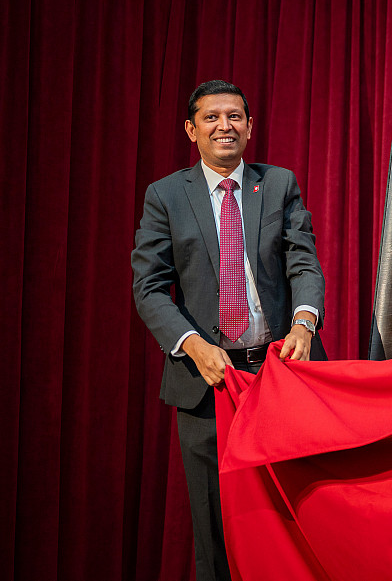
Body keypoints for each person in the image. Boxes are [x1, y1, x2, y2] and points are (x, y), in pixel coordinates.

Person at [131, 80, 326, 581]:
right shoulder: (167, 196)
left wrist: (304, 322)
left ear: (250, 126)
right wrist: (193, 346)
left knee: (294, 513)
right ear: (191, 129)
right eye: (212, 117)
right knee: (216, 524)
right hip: (206, 383)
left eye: (235, 116)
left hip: (280, 375)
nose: (225, 126)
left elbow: (303, 263)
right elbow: (149, 287)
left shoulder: (278, 184)